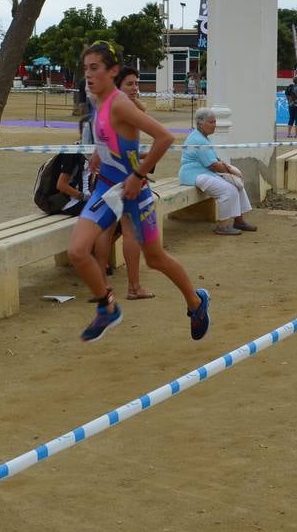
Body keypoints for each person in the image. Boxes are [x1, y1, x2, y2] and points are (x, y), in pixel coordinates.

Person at [67, 42, 210, 342]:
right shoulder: (97, 100)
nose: (88, 75)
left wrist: (137, 175)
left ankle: (196, 303)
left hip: (134, 191)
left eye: (95, 68)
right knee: (78, 251)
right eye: (85, 69)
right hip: (107, 188)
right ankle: (107, 307)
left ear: (112, 71)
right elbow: (109, 136)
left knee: (155, 259)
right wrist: (98, 153)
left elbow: (165, 137)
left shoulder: (120, 103)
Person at [92, 67, 153, 300]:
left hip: (109, 178)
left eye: (137, 83)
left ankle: (103, 286)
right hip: (126, 179)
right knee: (130, 232)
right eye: (130, 84)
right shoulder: (121, 110)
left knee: (106, 230)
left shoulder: (105, 108)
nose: (135, 88)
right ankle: (134, 287)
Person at [181, 107, 258, 235]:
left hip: (204, 173)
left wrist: (230, 171)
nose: (214, 125)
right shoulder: (198, 139)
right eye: (211, 122)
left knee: (237, 185)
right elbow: (213, 165)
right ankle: (222, 226)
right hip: (194, 175)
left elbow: (215, 161)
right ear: (200, 124)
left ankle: (239, 221)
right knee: (229, 190)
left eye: (215, 122)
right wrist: (233, 172)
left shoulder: (202, 136)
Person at [285, 74, 297, 139]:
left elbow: (286, 94)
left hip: (291, 105)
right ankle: (296, 134)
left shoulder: (290, 87)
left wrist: (289, 101)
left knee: (291, 118)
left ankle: (289, 133)